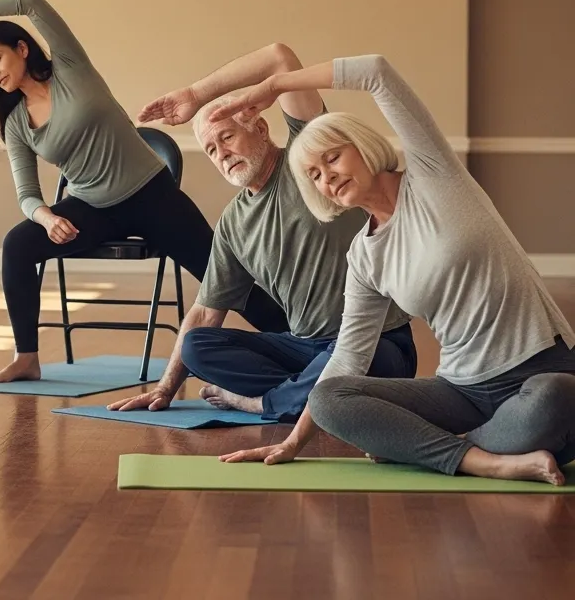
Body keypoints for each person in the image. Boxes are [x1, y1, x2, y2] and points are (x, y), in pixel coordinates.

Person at [215, 54, 575, 485]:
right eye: (314, 175)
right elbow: (349, 356)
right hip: (461, 390)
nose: (327, 177)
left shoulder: (433, 175)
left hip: (538, 370)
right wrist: (293, 443)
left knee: (557, 397)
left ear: (362, 146)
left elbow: (376, 72)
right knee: (329, 398)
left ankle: (436, 447)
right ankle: (486, 460)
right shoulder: (364, 256)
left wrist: (274, 87)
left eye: (333, 158)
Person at [0, 0, 288, 383]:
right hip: (92, 209)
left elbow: (30, 1)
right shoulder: (17, 123)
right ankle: (26, 358)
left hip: (153, 196)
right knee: (17, 245)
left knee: (225, 277)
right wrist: (45, 218)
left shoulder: (70, 68)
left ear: (22, 49)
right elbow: (27, 194)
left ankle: (302, 339)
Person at [108, 43, 417, 422]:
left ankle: (266, 402)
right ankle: (317, 396)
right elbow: (205, 312)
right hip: (304, 347)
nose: (221, 153)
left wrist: (195, 95)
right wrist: (164, 389)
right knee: (197, 346)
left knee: (366, 361)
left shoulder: (307, 160)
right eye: (211, 149)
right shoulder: (233, 223)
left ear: (260, 127)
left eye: (226, 137)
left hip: (378, 342)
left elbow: (279, 58)